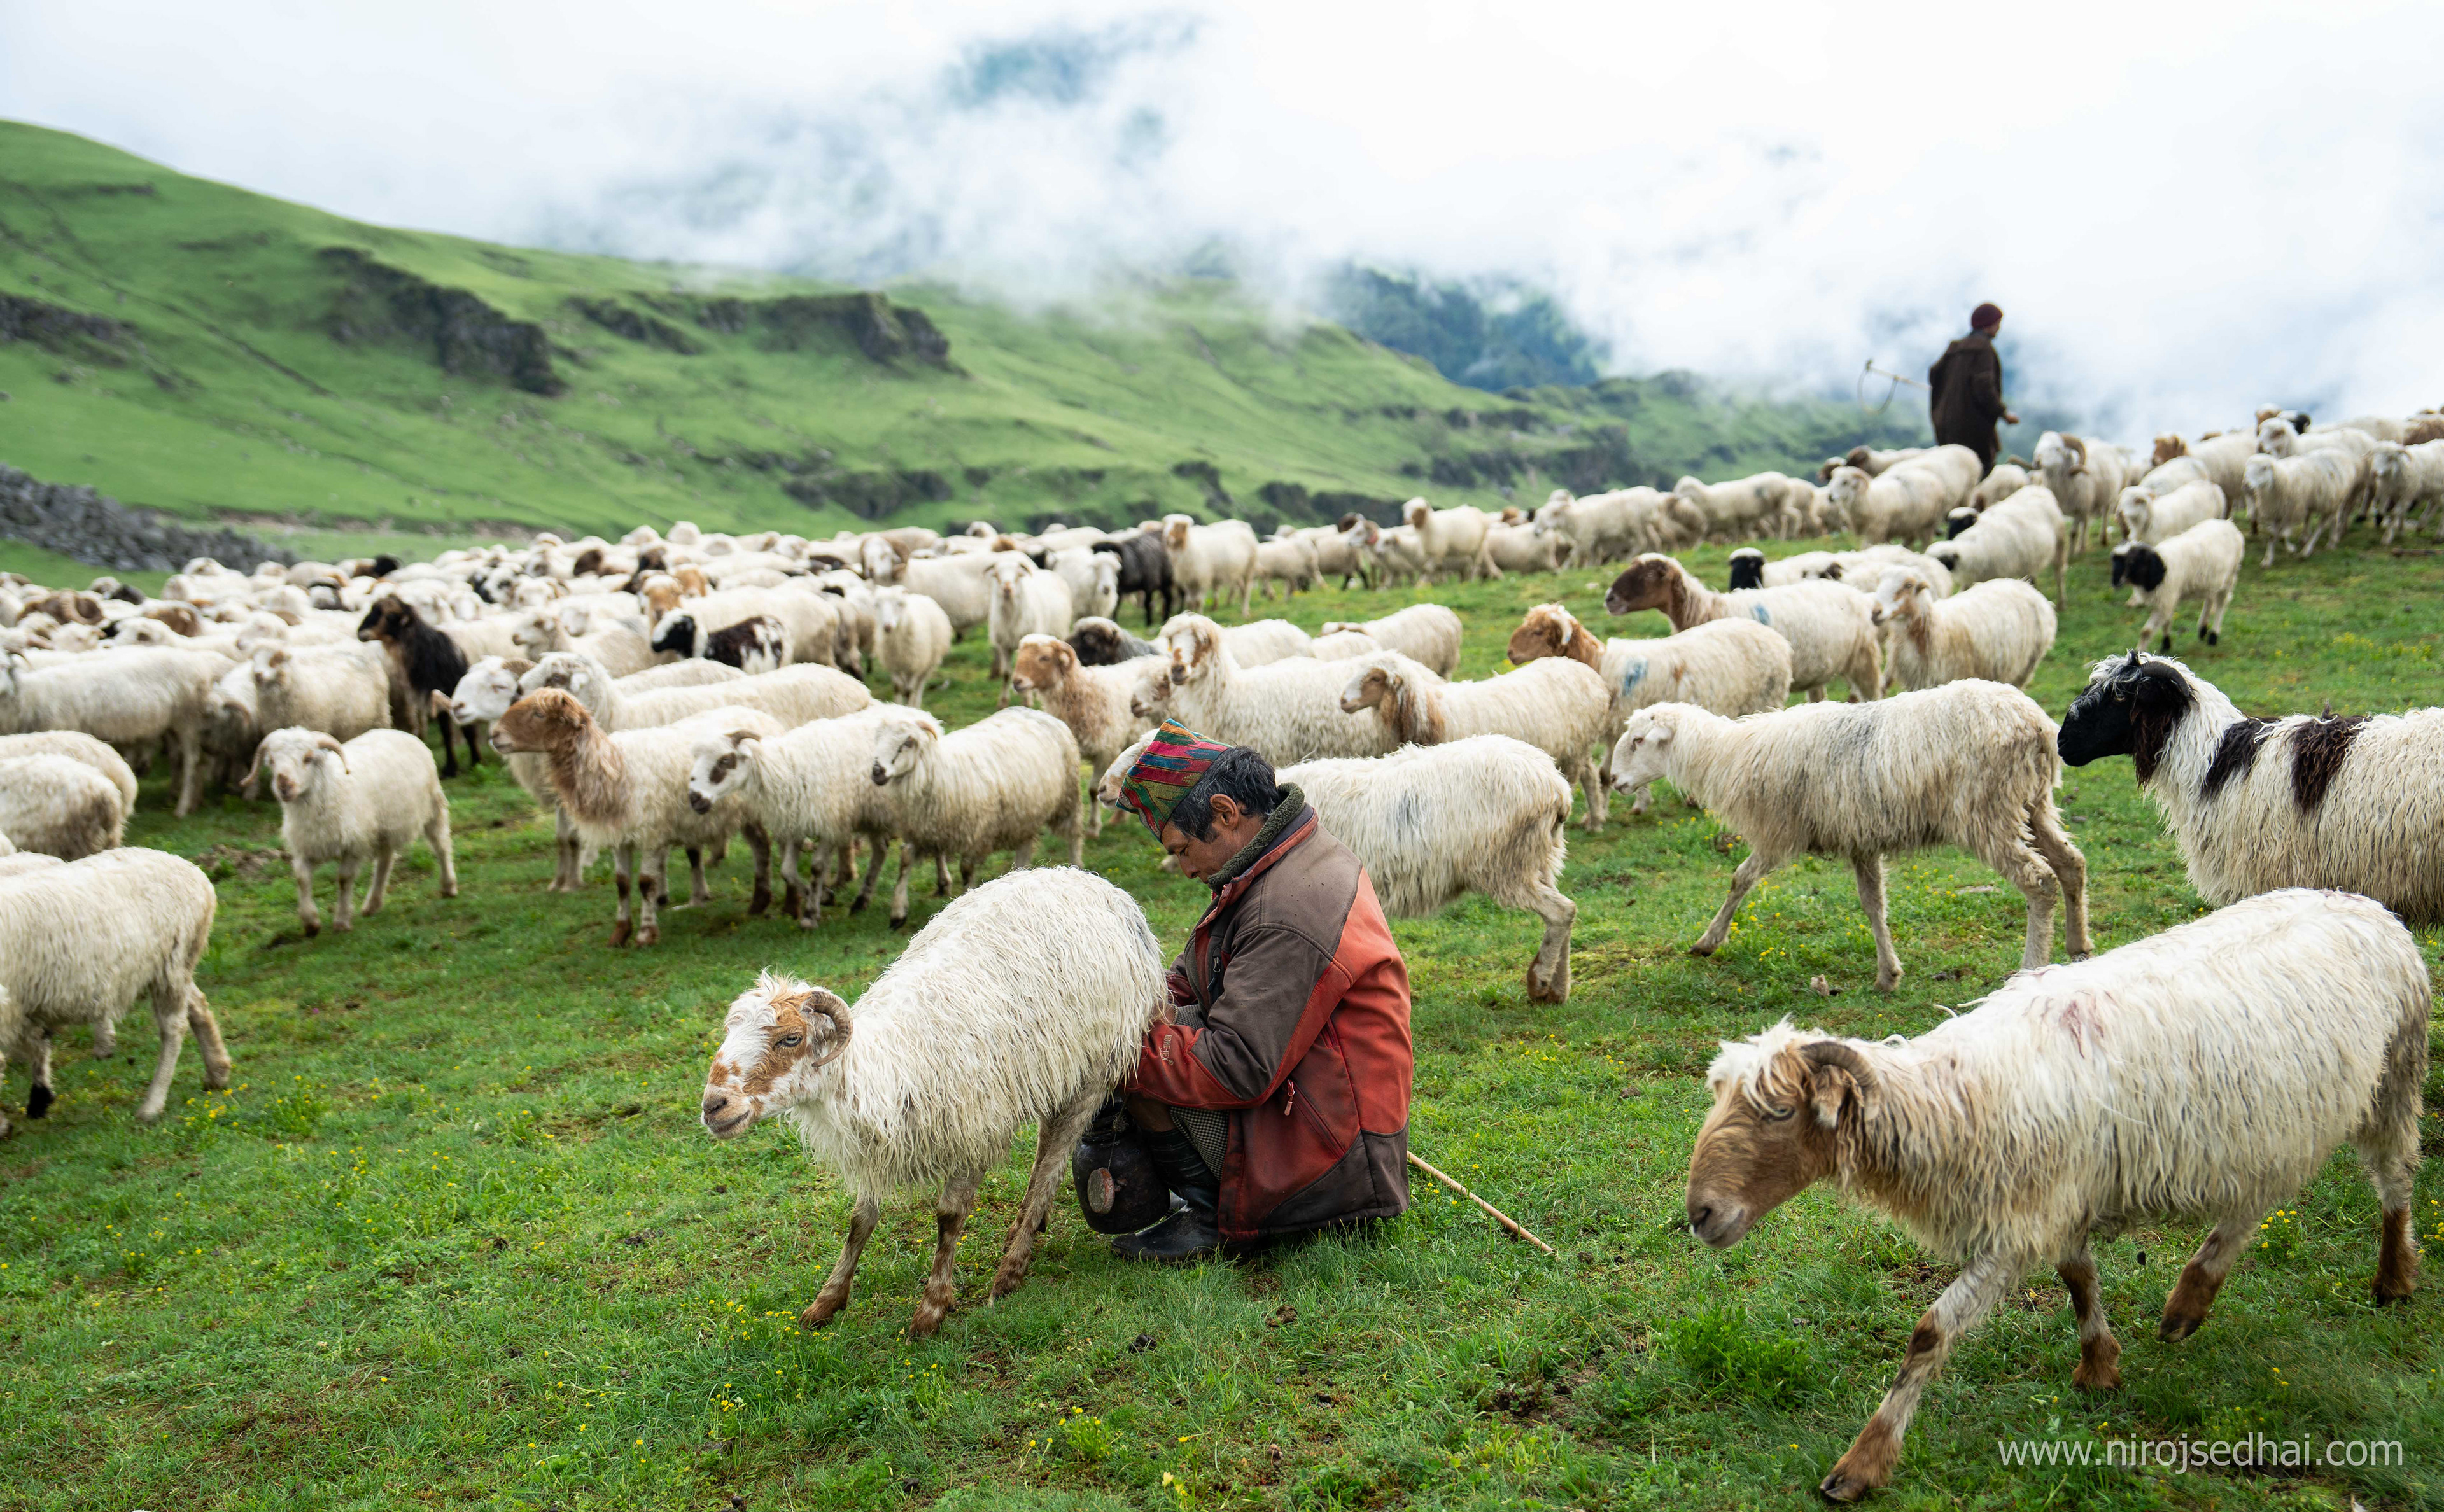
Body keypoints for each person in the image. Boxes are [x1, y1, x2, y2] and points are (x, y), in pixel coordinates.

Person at [1088, 718, 1414, 1261]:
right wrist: (1128, 1002)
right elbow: (1194, 976)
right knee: (1144, 1034)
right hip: (1323, 1097)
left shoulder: (1283, 907)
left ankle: (1214, 1214)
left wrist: (1114, 1048)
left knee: (1134, 1059)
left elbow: (1236, 1065)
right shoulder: (1276, 859)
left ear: (1225, 813)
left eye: (1182, 849)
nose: (1182, 867)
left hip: (1335, 1152)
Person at [1927, 302, 2021, 471]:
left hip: (1946, 429)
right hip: (1973, 432)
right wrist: (2004, 413)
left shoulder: (1954, 348)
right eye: (1997, 323)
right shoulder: (1984, 349)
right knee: (1979, 475)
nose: (1999, 328)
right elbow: (1984, 387)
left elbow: (1934, 374)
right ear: (1988, 324)